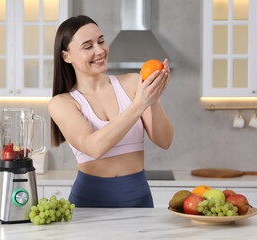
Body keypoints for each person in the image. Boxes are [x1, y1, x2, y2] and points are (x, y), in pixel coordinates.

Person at [48, 15, 173, 208]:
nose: (100, 50)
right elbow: (94, 147)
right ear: (67, 56)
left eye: (101, 41)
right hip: (89, 204)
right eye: (88, 46)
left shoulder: (132, 83)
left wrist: (153, 99)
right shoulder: (62, 103)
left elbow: (165, 141)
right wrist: (139, 104)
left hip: (139, 199)